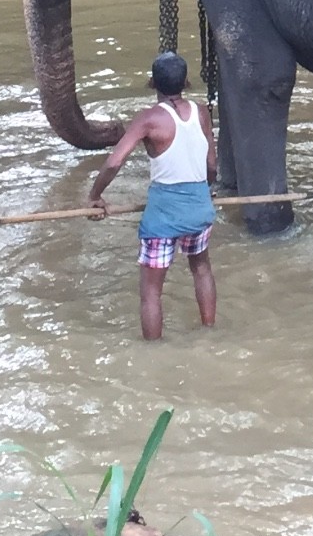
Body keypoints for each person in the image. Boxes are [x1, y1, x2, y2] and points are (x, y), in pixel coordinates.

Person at [89, 53, 219, 341]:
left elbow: (114, 162)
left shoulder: (150, 119)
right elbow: (211, 164)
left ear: (152, 83)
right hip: (200, 210)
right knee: (201, 268)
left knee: (150, 292)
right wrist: (206, 192)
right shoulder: (202, 113)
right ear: (186, 82)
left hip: (163, 218)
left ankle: (153, 350)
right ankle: (210, 331)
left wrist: (95, 196)